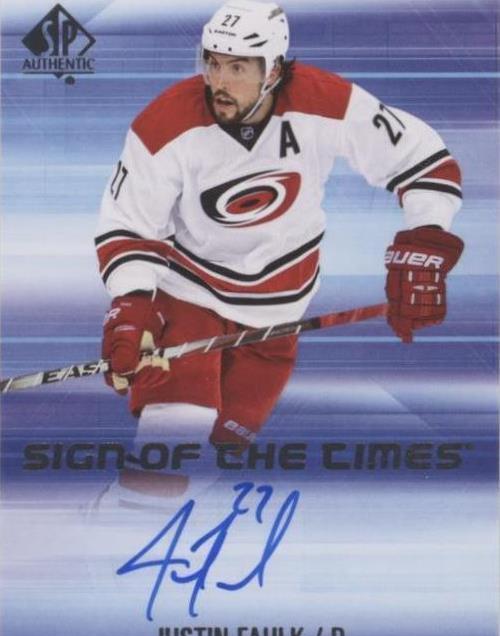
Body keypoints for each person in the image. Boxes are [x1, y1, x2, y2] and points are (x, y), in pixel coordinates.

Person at [94, 0, 464, 505]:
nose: (218, 81)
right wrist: (131, 306)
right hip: (190, 295)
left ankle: (136, 524)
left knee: (220, 458)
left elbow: (424, 160)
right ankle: (116, 530)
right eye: (212, 62)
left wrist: (424, 242)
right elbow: (129, 225)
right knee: (173, 439)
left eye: (237, 67)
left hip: (279, 314)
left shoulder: (325, 101)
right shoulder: (165, 123)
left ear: (273, 70)